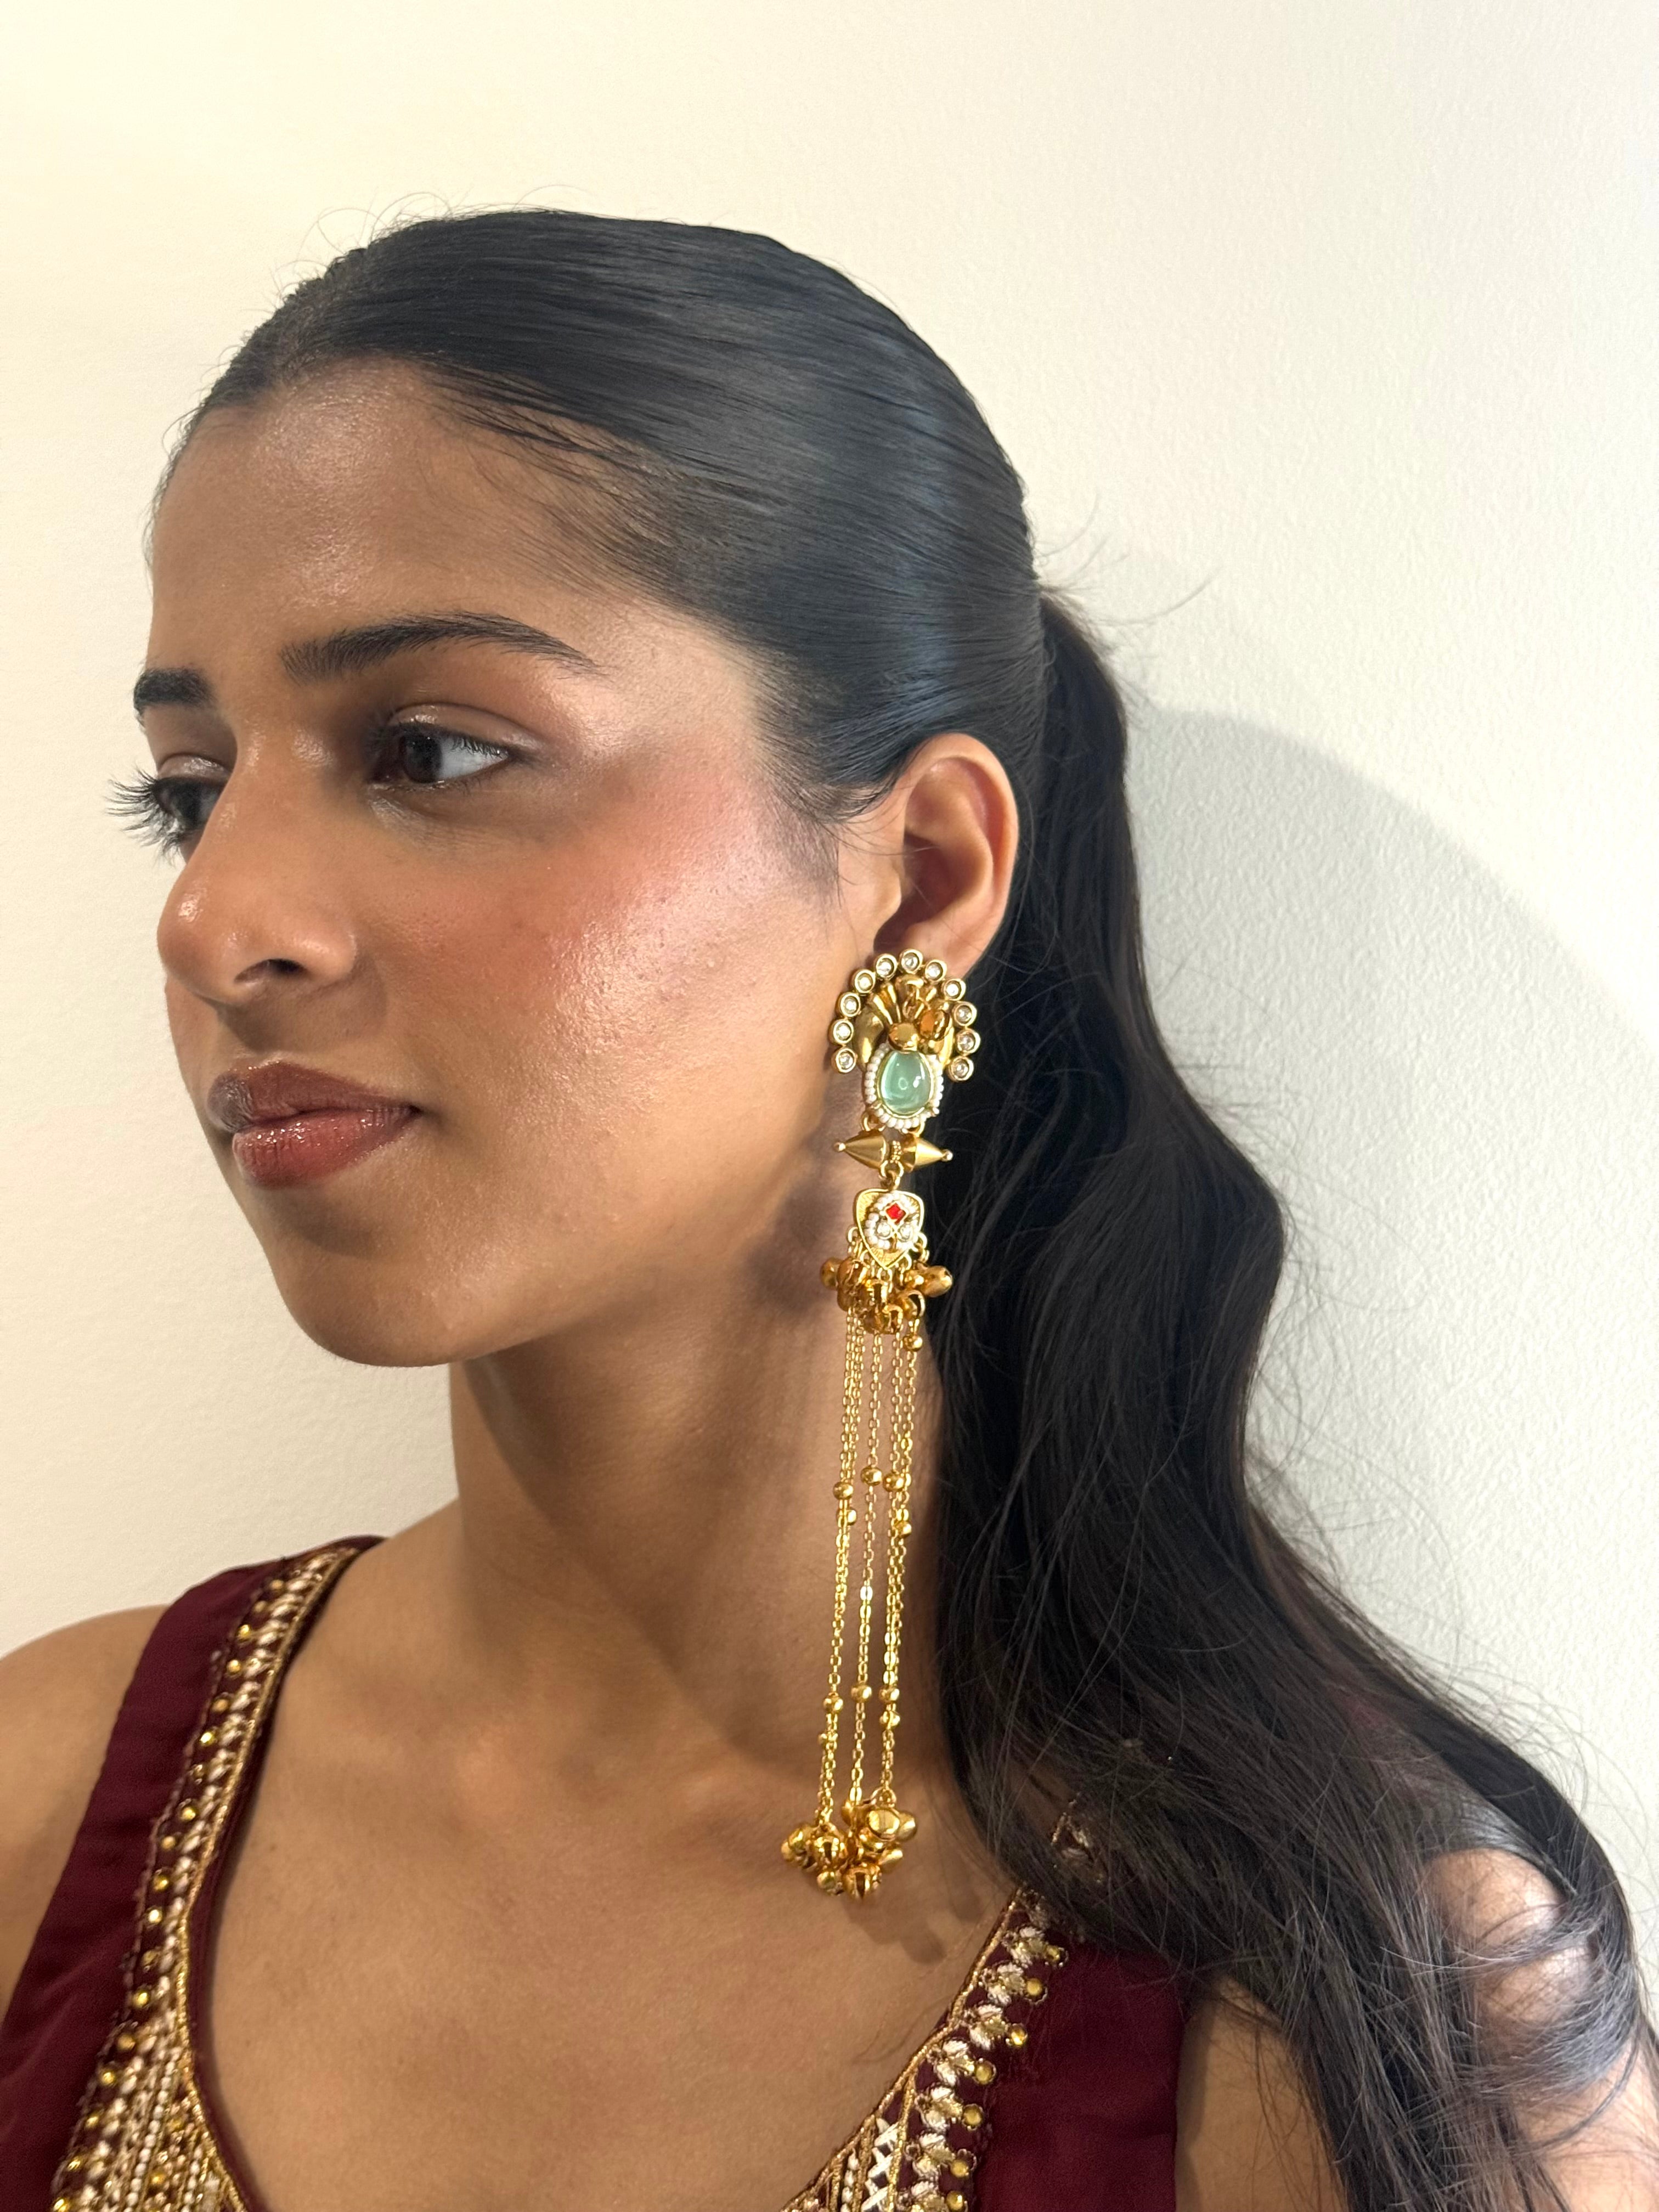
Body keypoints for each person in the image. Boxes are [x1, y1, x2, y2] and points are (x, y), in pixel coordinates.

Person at [0, 209, 1652, 2212]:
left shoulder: (1362, 2022)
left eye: (429, 750)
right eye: (190, 787)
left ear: (925, 871)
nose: (215, 917)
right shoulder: (56, 1795)